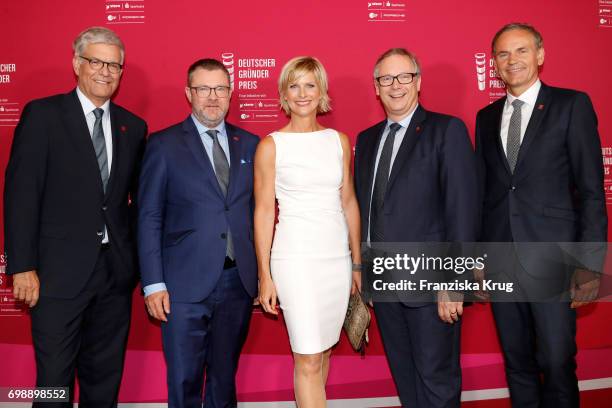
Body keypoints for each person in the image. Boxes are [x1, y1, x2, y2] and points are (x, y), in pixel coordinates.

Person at [4, 27, 146, 407]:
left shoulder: (133, 127)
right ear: (76, 64)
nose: (105, 71)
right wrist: (22, 266)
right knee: (54, 380)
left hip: (113, 277)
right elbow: (21, 195)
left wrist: (133, 265)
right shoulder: (44, 115)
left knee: (104, 379)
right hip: (55, 275)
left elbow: (131, 204)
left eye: (114, 64)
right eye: (96, 61)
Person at [475, 23, 607, 407]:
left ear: (540, 55)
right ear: (494, 64)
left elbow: (591, 191)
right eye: (502, 54)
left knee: (556, 359)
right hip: (501, 260)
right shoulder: (485, 118)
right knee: (517, 362)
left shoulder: (571, 105)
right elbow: (484, 195)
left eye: (520, 51)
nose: (511, 60)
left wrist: (589, 263)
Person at [353, 48, 479, 407]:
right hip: (385, 286)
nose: (396, 86)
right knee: (406, 384)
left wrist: (455, 283)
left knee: (437, 383)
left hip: (431, 287)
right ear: (376, 88)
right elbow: (367, 212)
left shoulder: (447, 130)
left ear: (418, 82)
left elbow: (462, 210)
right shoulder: (367, 139)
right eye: (386, 79)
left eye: (404, 76)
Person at [138, 58, 259, 408]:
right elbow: (148, 217)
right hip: (181, 285)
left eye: (220, 88)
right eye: (203, 88)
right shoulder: (163, 145)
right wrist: (154, 283)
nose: (212, 97)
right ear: (189, 92)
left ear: (230, 93)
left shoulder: (251, 144)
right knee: (184, 380)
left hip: (237, 283)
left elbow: (258, 213)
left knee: (224, 381)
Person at [255, 56, 361, 407]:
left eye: (310, 85)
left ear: (322, 92)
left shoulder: (339, 141)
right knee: (309, 357)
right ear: (284, 94)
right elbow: (264, 211)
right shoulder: (271, 145)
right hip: (296, 262)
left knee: (325, 350)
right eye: (294, 85)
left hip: (337, 261)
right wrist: (264, 275)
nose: (302, 93)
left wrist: (357, 263)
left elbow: (348, 202)